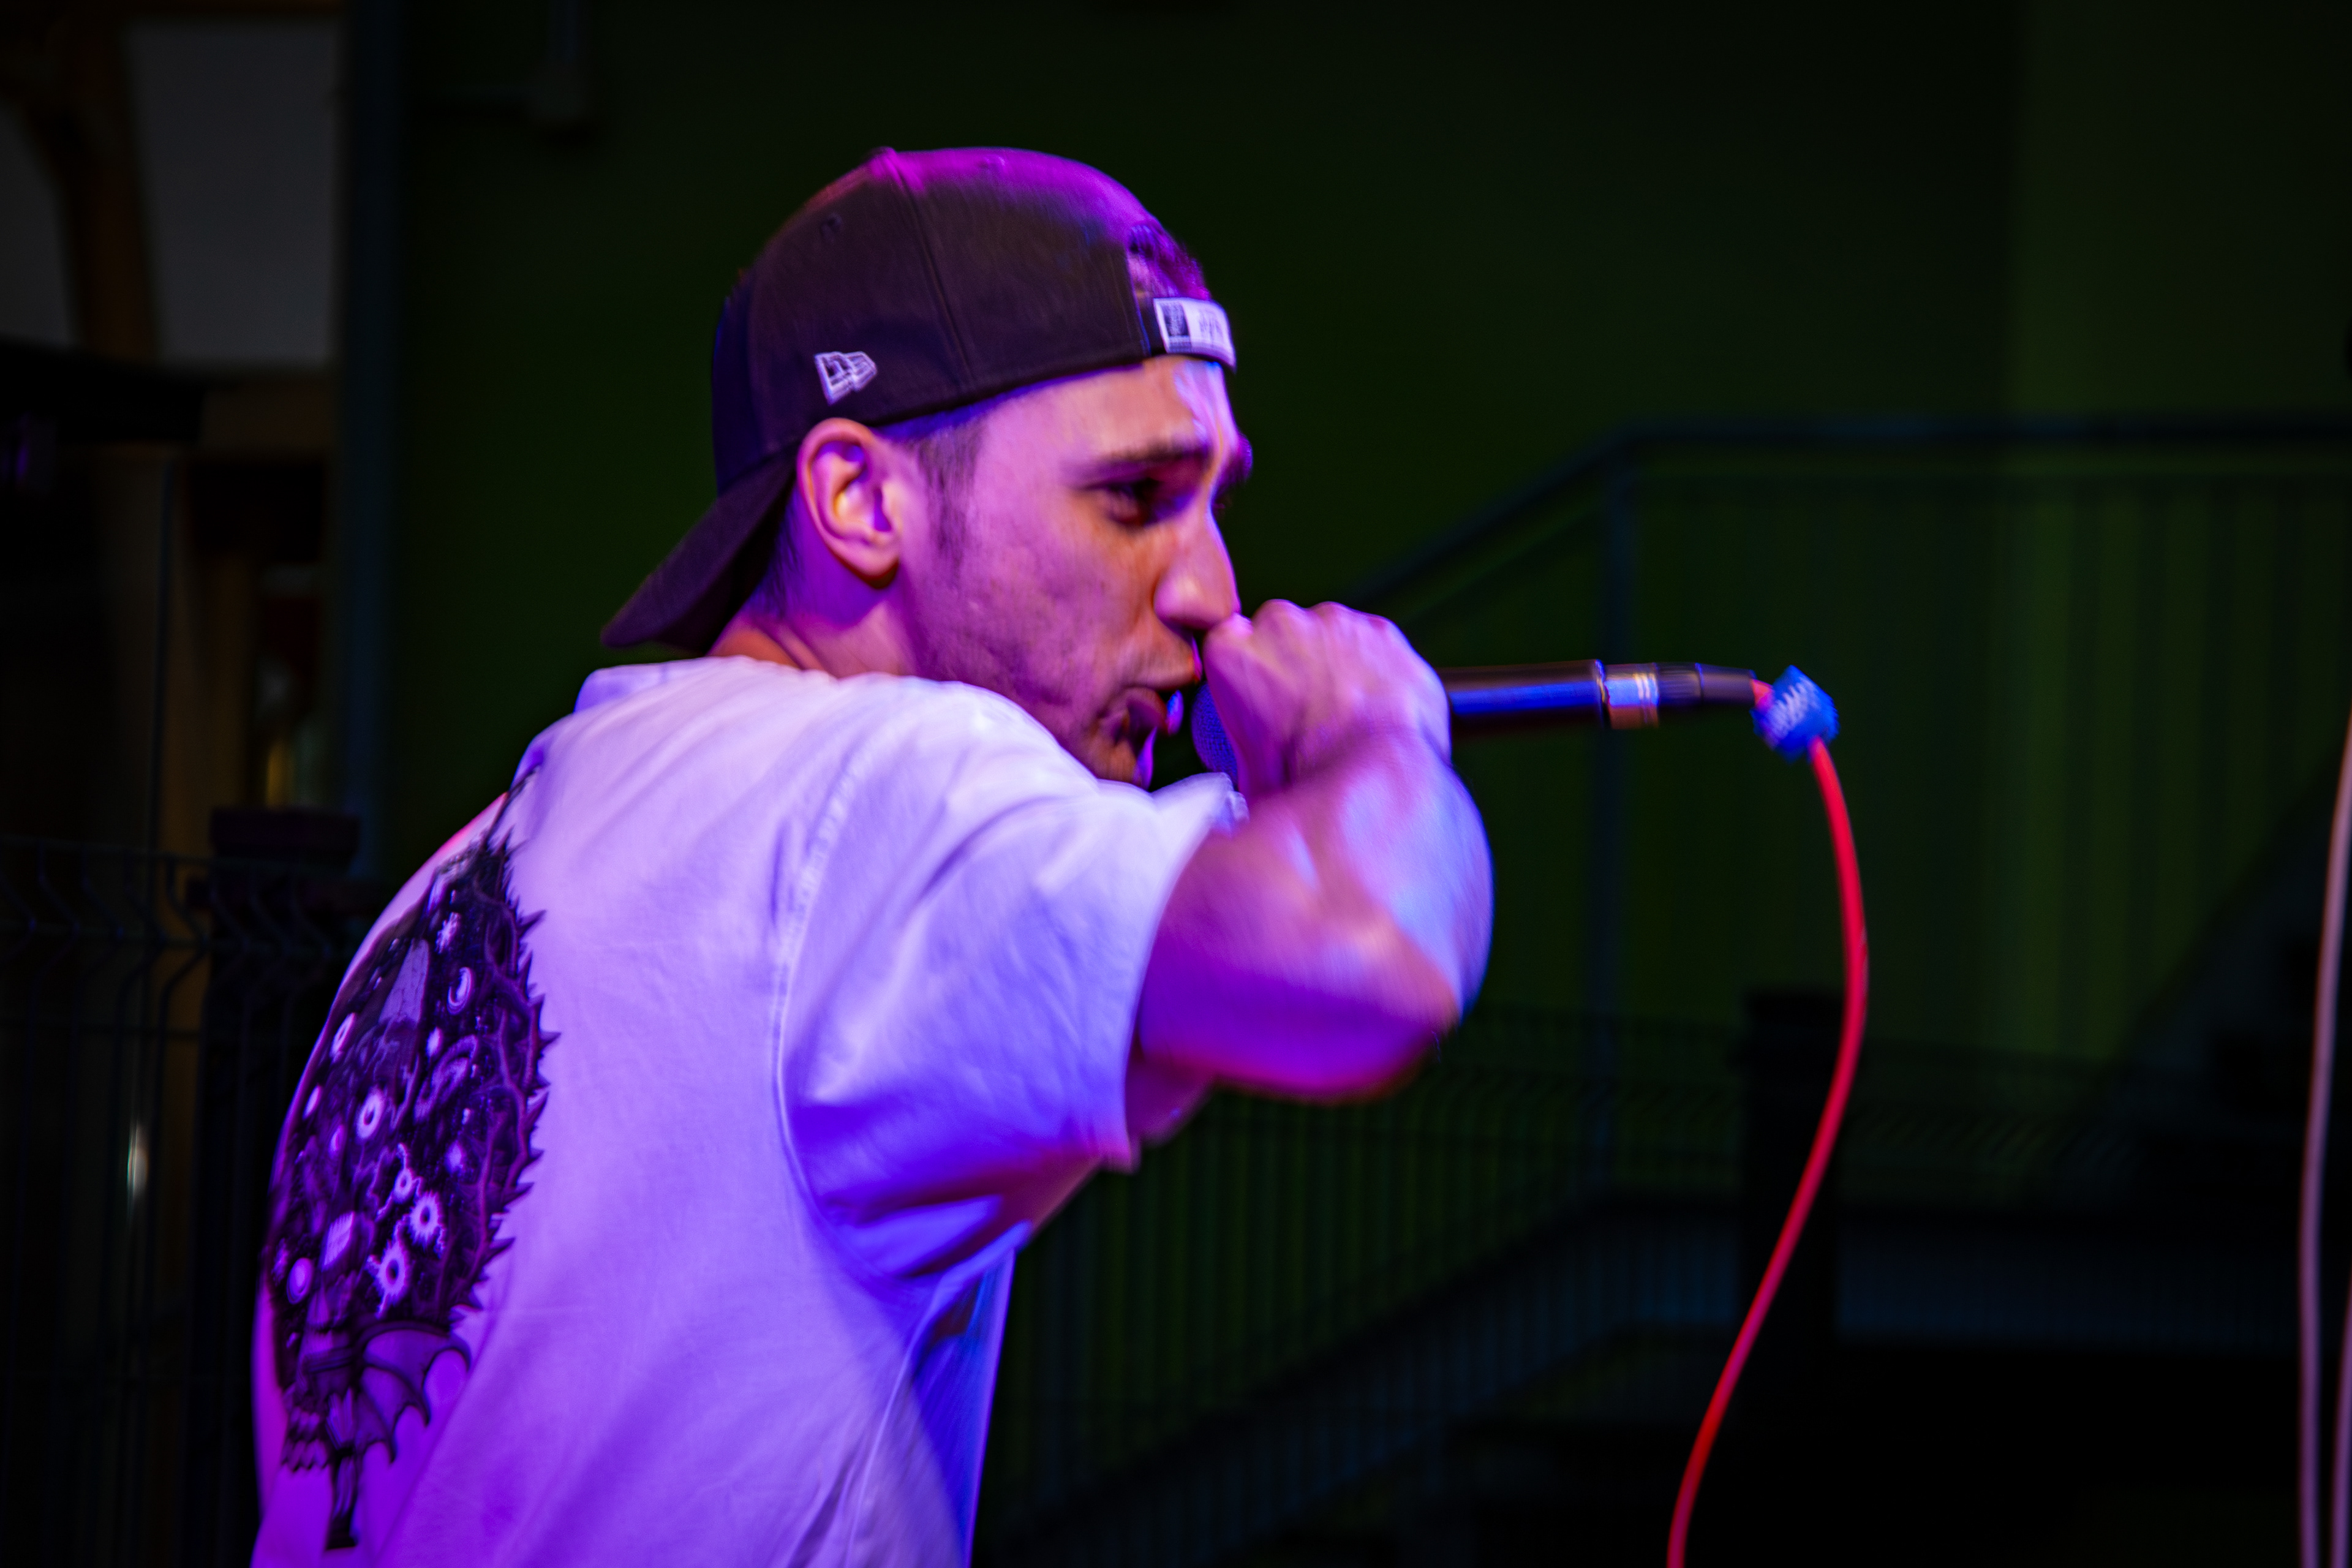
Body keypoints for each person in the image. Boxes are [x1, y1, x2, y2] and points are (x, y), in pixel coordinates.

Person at [250, 147, 1491, 1566]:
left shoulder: (463, 886)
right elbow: (1367, 954)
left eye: (1215, 502)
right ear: (858, 498)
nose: (1214, 591)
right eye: (1136, 497)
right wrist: (1376, 739)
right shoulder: (869, 790)